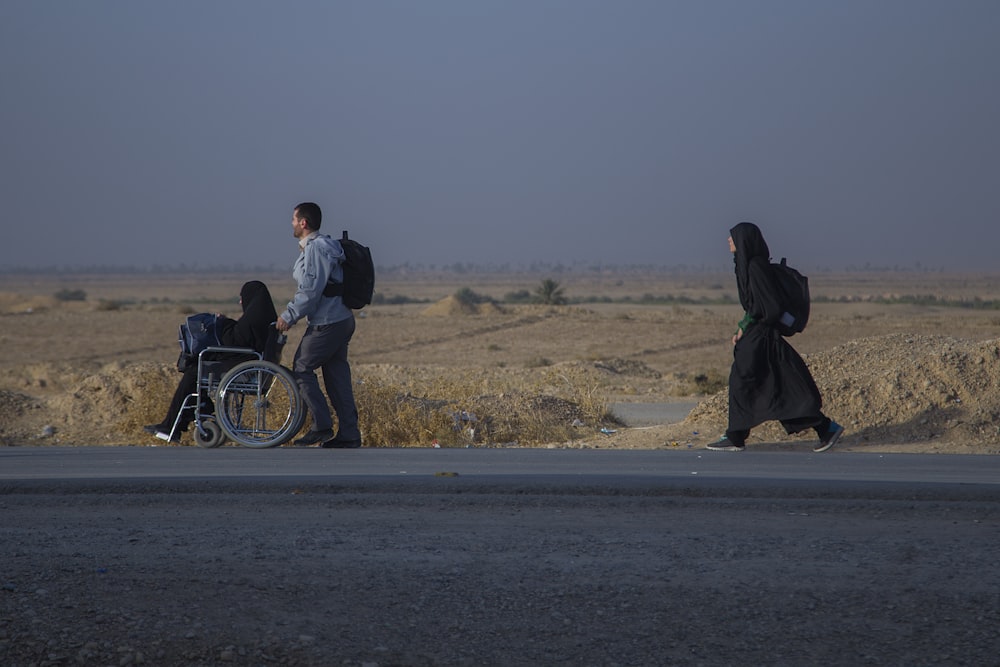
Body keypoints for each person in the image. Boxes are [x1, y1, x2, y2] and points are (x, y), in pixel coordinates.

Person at [707, 222, 844, 452]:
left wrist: (749, 325)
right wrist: (744, 326)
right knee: (777, 387)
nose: (729, 241)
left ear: (744, 241)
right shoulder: (748, 266)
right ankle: (824, 428)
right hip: (758, 336)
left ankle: (736, 435)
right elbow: (755, 306)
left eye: (733, 238)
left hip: (761, 337)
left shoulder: (755, 267)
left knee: (743, 382)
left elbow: (770, 307)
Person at [145, 280, 278, 443]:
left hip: (242, 369)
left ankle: (175, 423)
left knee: (194, 370)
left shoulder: (253, 319)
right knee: (195, 367)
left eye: (242, 297)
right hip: (246, 365)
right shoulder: (262, 316)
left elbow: (234, 340)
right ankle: (189, 415)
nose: (241, 302)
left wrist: (222, 324)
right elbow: (240, 337)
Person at [275, 202, 362, 448]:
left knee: (302, 368)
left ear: (303, 223)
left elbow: (311, 291)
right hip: (340, 319)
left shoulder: (316, 249)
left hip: (328, 322)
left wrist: (288, 316)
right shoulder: (323, 247)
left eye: (293, 219)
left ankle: (321, 426)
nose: (291, 223)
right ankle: (349, 434)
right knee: (337, 377)